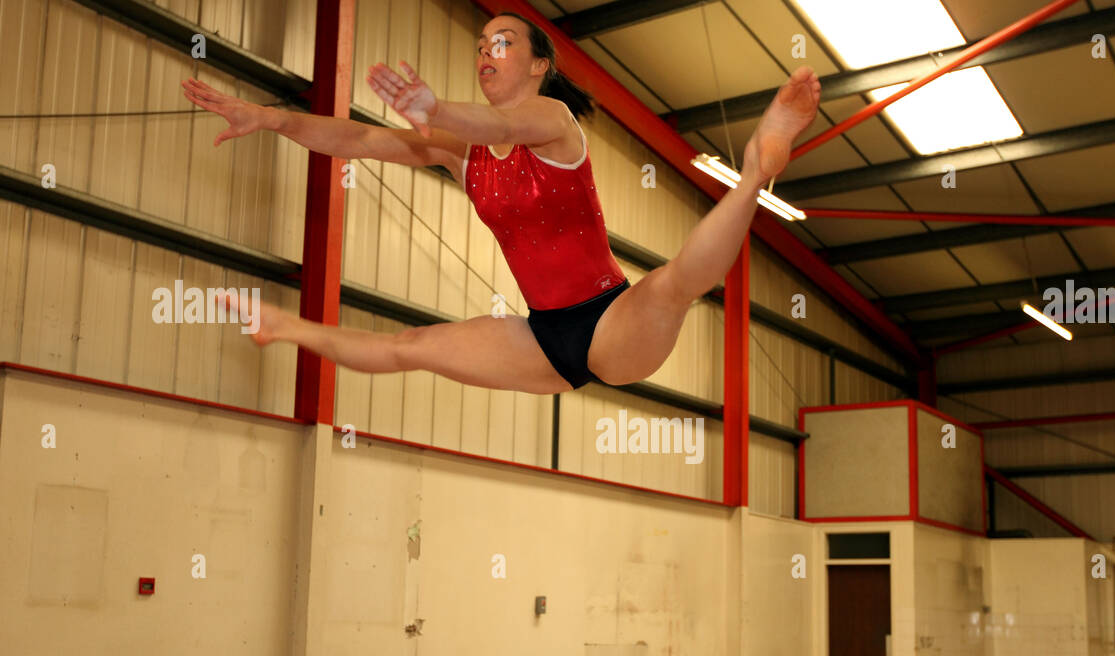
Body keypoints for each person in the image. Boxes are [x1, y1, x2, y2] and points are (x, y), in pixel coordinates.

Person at [181, 12, 821, 394]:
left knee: (673, 282)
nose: (487, 52)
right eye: (482, 44)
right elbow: (356, 138)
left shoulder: (554, 119)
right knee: (411, 347)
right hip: (541, 337)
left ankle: (754, 172)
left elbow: (506, 129)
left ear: (540, 64)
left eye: (504, 43)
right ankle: (285, 328)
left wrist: (434, 111)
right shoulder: (462, 148)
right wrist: (268, 117)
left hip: (613, 319)